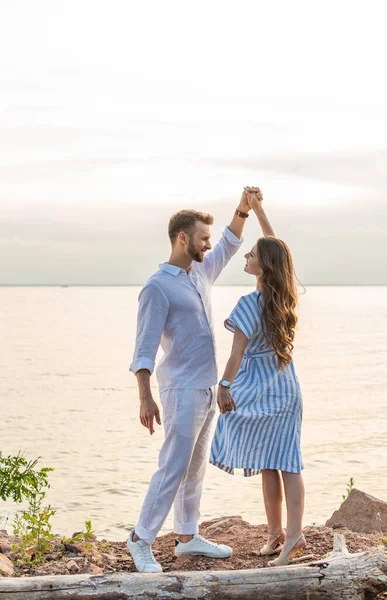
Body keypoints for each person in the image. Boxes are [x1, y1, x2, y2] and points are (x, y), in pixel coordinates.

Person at [128, 188, 260, 573]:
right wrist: (144, 397)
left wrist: (243, 208)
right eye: (202, 237)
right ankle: (141, 539)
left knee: (194, 468)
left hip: (206, 387)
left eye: (208, 238)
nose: (208, 244)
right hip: (180, 389)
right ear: (182, 238)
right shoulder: (157, 287)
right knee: (173, 465)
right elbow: (144, 349)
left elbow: (230, 243)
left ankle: (187, 537)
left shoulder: (199, 271)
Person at [209, 190, 306, 567]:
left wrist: (224, 385)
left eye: (251, 255)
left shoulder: (250, 304)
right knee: (276, 460)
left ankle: (293, 537)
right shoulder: (285, 296)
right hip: (285, 390)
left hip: (265, 390)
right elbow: (277, 250)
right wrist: (259, 210)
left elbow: (235, 355)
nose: (246, 257)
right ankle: (276, 534)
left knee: (283, 462)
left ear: (262, 267)